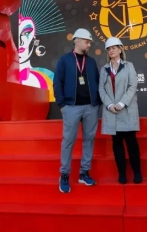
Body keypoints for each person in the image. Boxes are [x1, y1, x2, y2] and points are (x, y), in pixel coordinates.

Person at [53, 28, 102, 193]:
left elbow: (98, 82)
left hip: (91, 107)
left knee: (89, 139)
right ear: (78, 41)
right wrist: (62, 105)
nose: (89, 45)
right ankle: (64, 175)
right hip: (71, 107)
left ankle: (84, 172)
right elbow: (57, 82)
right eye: (87, 41)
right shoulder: (64, 60)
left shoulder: (91, 62)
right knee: (68, 141)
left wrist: (97, 103)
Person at [98, 37, 141, 184]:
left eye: (114, 48)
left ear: (120, 49)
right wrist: (110, 105)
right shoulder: (104, 69)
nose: (111, 50)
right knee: (116, 143)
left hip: (126, 110)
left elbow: (132, 86)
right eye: (109, 49)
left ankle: (137, 172)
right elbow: (101, 89)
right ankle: (121, 173)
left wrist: (122, 103)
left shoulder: (129, 66)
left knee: (131, 143)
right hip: (112, 112)